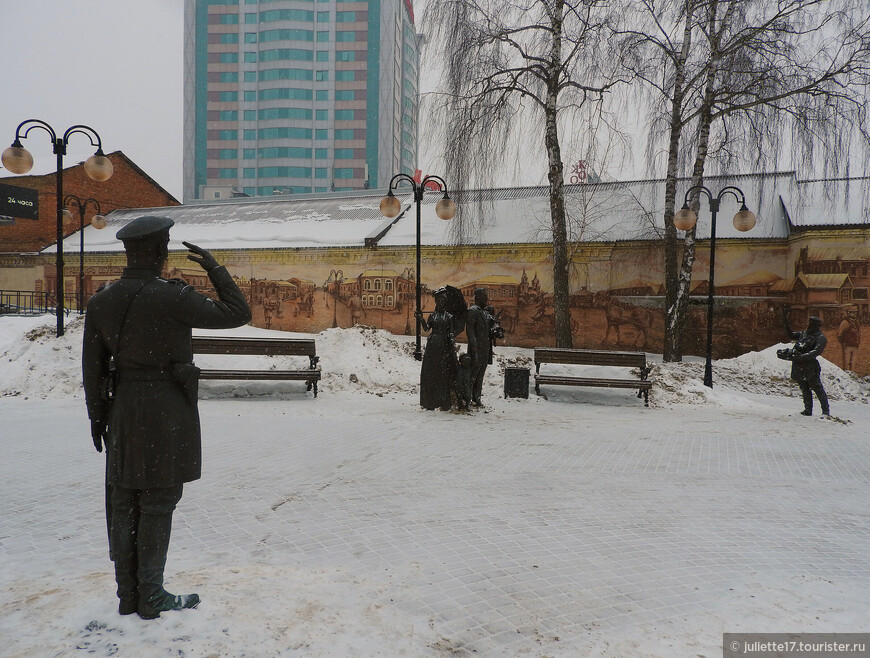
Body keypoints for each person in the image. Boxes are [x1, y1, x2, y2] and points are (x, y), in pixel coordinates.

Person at [82, 215, 252, 620]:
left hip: (123, 409)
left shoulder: (101, 300)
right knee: (157, 500)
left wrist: (97, 416)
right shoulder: (173, 297)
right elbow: (237, 312)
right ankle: (152, 595)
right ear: (160, 251)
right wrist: (214, 267)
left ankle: (129, 595)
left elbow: (92, 367)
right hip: (165, 409)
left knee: (124, 500)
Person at [777, 315, 830, 417]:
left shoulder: (821, 338)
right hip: (799, 365)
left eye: (812, 324)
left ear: (817, 326)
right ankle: (808, 410)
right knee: (804, 388)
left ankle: (825, 411)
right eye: (809, 324)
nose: (809, 326)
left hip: (810, 366)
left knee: (817, 388)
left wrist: (802, 356)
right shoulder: (804, 334)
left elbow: (816, 352)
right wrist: (786, 324)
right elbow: (791, 335)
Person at [415, 287, 458, 411]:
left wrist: (452, 346)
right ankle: (430, 402)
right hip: (433, 346)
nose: (441, 302)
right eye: (439, 300)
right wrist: (421, 318)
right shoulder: (432, 316)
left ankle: (443, 401)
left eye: (443, 300)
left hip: (444, 346)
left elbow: (451, 334)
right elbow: (427, 329)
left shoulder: (450, 317)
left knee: (443, 374)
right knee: (431, 373)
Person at [465, 288, 493, 407]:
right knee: (473, 374)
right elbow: (470, 331)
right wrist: (474, 348)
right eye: (484, 296)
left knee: (480, 375)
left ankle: (477, 398)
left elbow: (487, 330)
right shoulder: (472, 311)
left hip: (485, 348)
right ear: (478, 297)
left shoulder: (485, 312)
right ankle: (467, 398)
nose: (487, 298)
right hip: (476, 348)